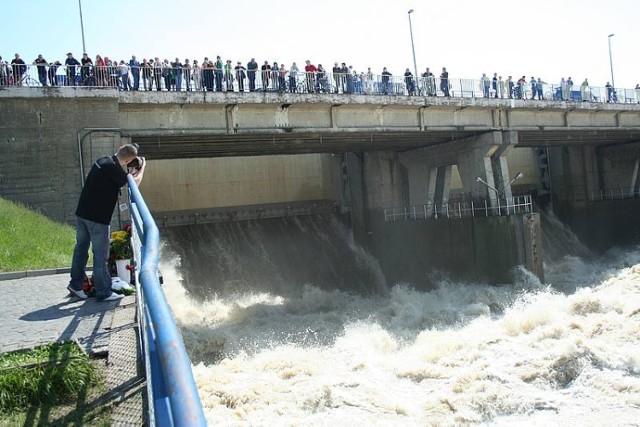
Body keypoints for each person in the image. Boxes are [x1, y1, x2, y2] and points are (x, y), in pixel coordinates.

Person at [68, 144, 146, 301]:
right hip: (98, 220)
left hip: (82, 213)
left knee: (81, 250)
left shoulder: (103, 161)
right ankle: (104, 292)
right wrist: (143, 167)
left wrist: (129, 172)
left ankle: (75, 285)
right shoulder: (114, 170)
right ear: (129, 159)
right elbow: (133, 184)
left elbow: (121, 180)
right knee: (100, 256)